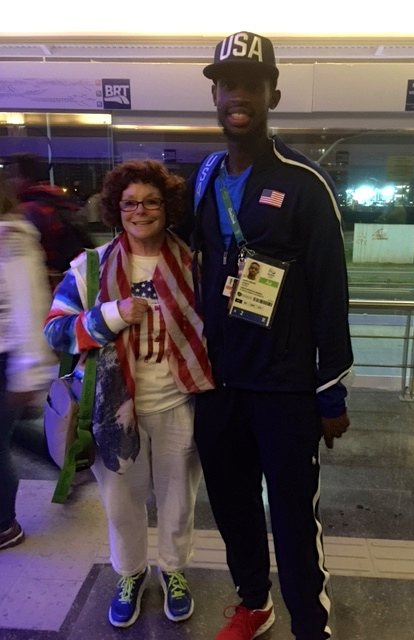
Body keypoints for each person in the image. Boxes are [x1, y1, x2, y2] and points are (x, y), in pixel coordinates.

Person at [186, 32, 354, 640]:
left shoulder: (305, 184)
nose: (238, 96)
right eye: (227, 84)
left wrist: (330, 391)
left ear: (272, 94)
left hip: (284, 390)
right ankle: (254, 604)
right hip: (219, 383)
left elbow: (332, 293)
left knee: (291, 518)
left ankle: (311, 625)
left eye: (251, 86)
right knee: (232, 509)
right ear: (214, 94)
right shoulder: (204, 177)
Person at [43, 160, 214, 628]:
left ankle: (174, 571)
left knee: (179, 500)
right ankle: (131, 573)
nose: (141, 211)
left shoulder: (196, 265)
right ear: (116, 210)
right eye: (130, 203)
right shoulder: (89, 268)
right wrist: (112, 315)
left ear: (168, 207)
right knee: (121, 504)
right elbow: (56, 332)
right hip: (112, 409)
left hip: (180, 402)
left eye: (152, 201)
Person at [0, 172, 57, 551]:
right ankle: (65, 460)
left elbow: (29, 304)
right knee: (10, 432)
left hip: (7, 358)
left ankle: (4, 524)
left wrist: (29, 371)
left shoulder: (11, 240)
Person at [3, 153, 94, 280]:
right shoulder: (55, 200)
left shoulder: (29, 210)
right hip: (73, 276)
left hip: (52, 282)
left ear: (23, 177)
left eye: (11, 176)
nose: (8, 182)